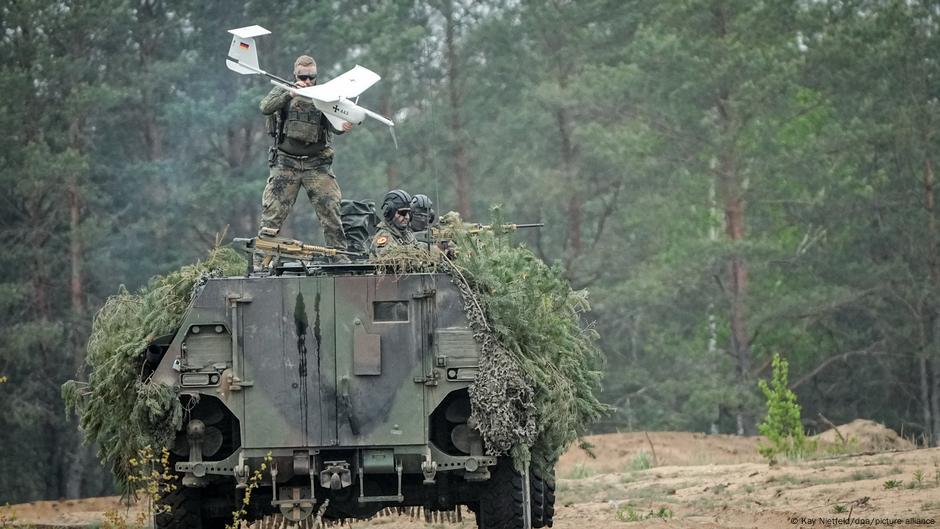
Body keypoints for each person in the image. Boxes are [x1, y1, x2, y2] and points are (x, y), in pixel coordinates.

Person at [258, 55, 353, 261]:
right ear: (295, 74)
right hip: (286, 164)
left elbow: (336, 125)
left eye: (312, 77)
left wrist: (344, 125)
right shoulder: (284, 89)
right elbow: (265, 106)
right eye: (303, 76)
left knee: (331, 210)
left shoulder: (326, 94)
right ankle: (261, 262)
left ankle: (340, 259)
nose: (308, 81)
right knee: (272, 215)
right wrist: (290, 93)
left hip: (316, 164)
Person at [370, 189, 417, 257]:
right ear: (390, 213)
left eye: (408, 213)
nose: (406, 217)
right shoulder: (383, 235)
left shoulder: (406, 234)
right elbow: (391, 259)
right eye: (402, 213)